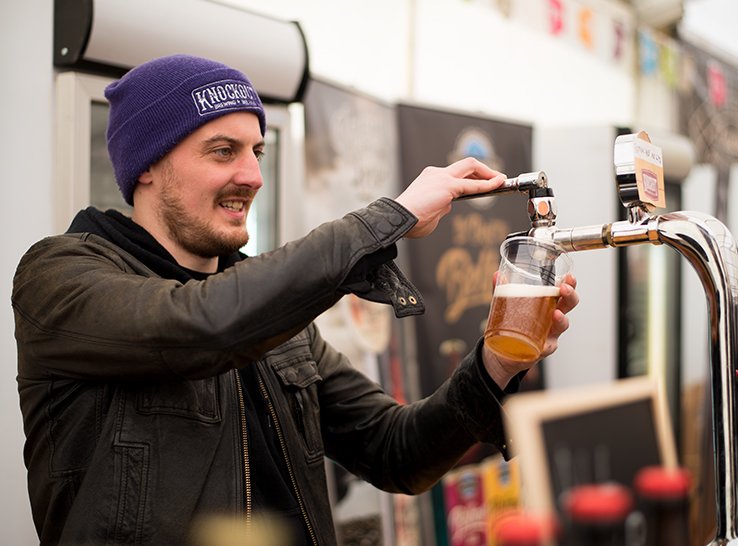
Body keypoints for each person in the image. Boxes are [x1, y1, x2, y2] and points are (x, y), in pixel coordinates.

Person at [12, 54, 579, 546]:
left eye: (257, 151)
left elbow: (397, 449)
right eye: (222, 151)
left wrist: (496, 364)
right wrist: (390, 218)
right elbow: (199, 327)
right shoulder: (59, 276)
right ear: (148, 168)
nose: (253, 175)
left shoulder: (270, 312)